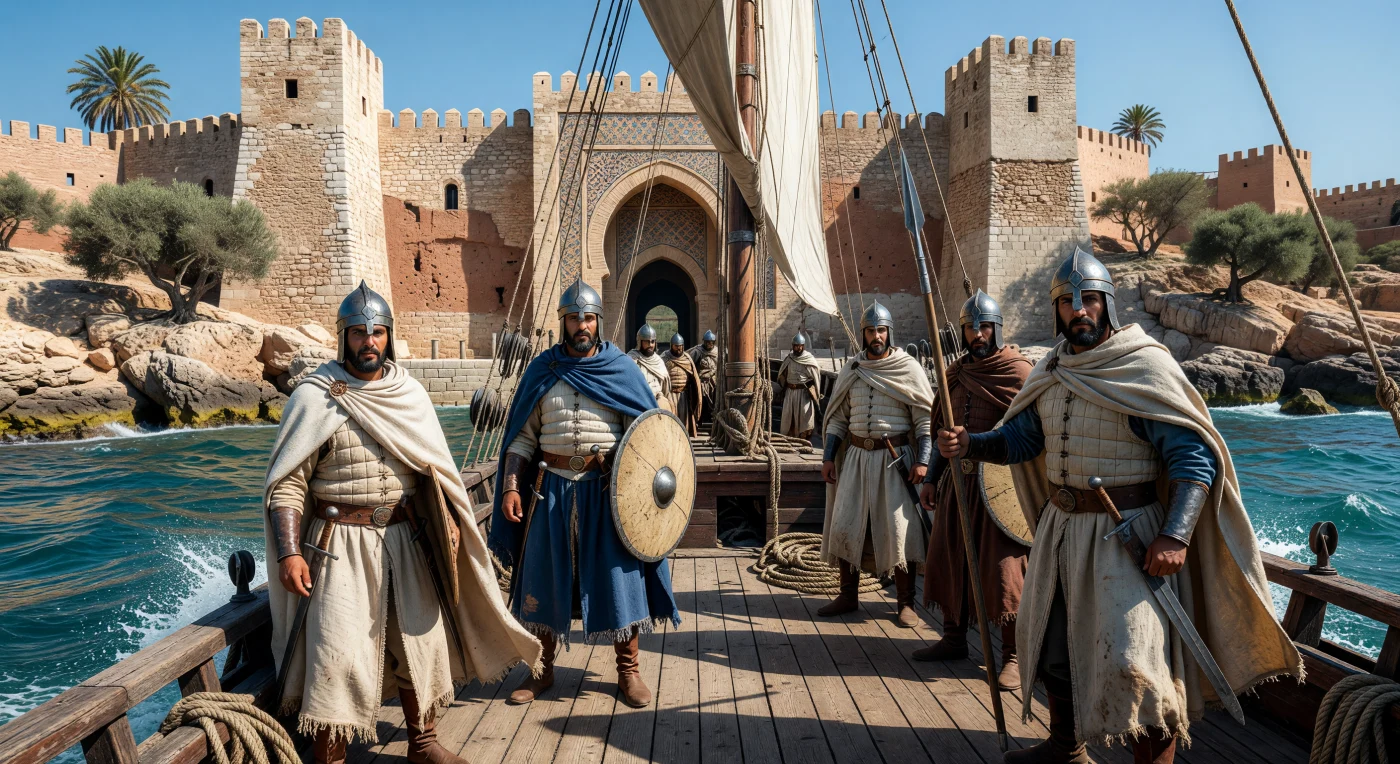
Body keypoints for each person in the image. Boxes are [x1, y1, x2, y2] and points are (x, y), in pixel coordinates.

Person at [938, 249, 1302, 764]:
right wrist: (971, 444)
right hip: (1061, 532)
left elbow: (1192, 457)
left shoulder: (1144, 364)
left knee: (1138, 665)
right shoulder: (1052, 370)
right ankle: (1066, 746)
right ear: (1056, 311)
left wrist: (1175, 535)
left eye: (1088, 299)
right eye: (1067, 302)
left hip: (1126, 536)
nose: (1078, 310)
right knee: (1053, 647)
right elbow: (1021, 441)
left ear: (1107, 302)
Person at [264, 282, 540, 764]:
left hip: (408, 538)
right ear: (343, 337)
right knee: (340, 655)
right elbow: (288, 484)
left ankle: (423, 743)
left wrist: (453, 519)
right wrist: (289, 552)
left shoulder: (407, 392)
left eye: (377, 334)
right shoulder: (314, 396)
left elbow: (436, 471)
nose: (368, 343)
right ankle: (331, 755)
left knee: (418, 642)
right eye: (357, 334)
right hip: (338, 545)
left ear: (389, 336)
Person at [489, 280, 680, 709]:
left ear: (598, 321)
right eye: (574, 318)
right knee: (543, 578)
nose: (581, 325)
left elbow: (648, 435)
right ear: (563, 322)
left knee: (619, 579)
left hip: (607, 494)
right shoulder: (542, 370)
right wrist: (510, 488)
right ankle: (542, 670)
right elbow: (521, 439)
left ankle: (628, 671)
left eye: (588, 318)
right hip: (549, 492)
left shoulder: (622, 370)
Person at [915, 290, 1031, 692]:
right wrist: (931, 478)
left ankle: (1012, 656)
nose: (977, 334)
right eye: (969, 327)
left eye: (983, 326)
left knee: (1005, 569)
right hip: (956, 485)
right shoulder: (954, 375)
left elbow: (1030, 437)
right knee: (949, 558)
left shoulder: (1018, 373)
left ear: (996, 329)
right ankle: (953, 638)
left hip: (1001, 489)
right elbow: (940, 432)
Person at [817, 301, 934, 627]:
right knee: (846, 524)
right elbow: (838, 418)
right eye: (871, 330)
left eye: (881, 330)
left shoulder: (907, 368)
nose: (876, 336)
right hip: (854, 459)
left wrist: (923, 461)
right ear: (864, 333)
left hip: (894, 461)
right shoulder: (852, 369)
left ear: (889, 332)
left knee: (899, 532)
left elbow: (924, 419)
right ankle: (847, 594)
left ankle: (905, 603)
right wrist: (828, 456)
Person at [776, 330, 823, 439]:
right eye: (796, 346)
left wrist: (815, 391)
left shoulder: (809, 359)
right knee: (789, 417)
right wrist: (784, 382)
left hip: (803, 393)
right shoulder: (789, 358)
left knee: (804, 417)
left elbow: (815, 376)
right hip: (790, 392)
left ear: (803, 346)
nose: (799, 348)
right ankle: (790, 437)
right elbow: (782, 374)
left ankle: (803, 438)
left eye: (801, 346)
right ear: (793, 346)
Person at [664, 333, 702, 435]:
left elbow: (694, 379)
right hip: (669, 395)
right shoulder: (664, 358)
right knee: (670, 419)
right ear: (671, 345)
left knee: (683, 420)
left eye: (680, 346)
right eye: (676, 346)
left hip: (683, 396)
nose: (678, 349)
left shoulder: (687, 359)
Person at [628, 323, 672, 411]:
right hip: (640, 403)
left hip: (658, 403)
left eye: (652, 341)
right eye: (647, 342)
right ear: (640, 342)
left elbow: (665, 388)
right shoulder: (631, 359)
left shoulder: (659, 361)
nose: (650, 345)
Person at [689, 329, 720, 418]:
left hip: (714, 382)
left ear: (714, 342)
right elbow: (691, 365)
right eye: (707, 342)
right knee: (702, 402)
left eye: (711, 342)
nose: (709, 344)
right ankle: (700, 419)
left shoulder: (717, 352)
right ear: (704, 341)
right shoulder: (697, 351)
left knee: (715, 401)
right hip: (702, 382)